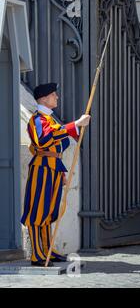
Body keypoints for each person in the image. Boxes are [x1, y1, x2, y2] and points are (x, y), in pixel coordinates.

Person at [21, 83, 91, 266]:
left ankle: (47, 250)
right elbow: (44, 140)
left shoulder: (50, 120)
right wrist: (74, 124)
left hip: (53, 168)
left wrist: (60, 171)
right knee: (37, 212)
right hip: (42, 168)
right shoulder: (37, 119)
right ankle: (37, 254)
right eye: (53, 95)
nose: (57, 97)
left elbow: (59, 143)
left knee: (48, 212)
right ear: (43, 99)